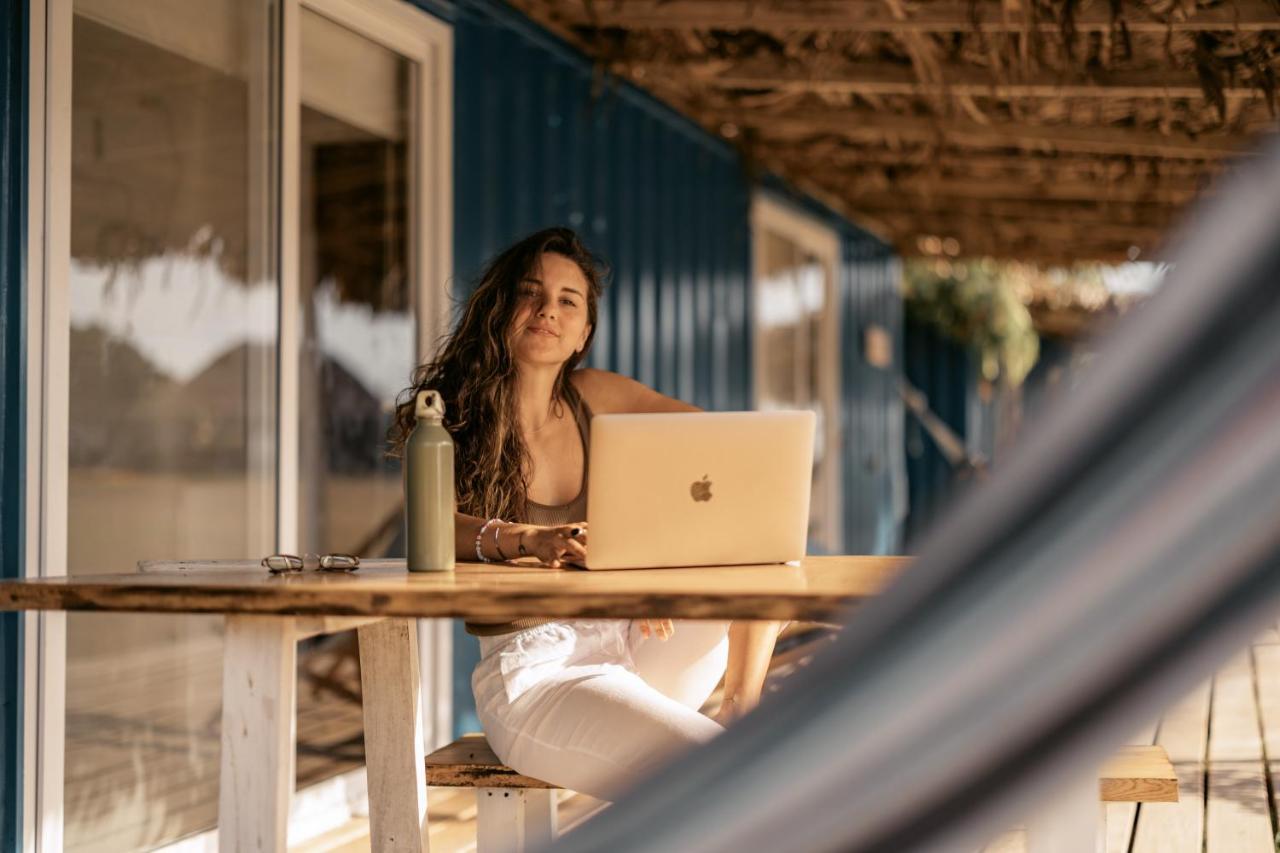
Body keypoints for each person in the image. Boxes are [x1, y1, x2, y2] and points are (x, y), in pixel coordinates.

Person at [388, 226, 781, 800]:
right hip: (536, 676)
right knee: (731, 779)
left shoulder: (597, 396)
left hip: (628, 640)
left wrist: (649, 565)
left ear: (583, 334)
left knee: (760, 550)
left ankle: (740, 709)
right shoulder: (452, 416)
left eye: (568, 301)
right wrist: (530, 540)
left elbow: (720, 449)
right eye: (531, 292)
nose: (548, 309)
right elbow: (434, 528)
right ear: (501, 309)